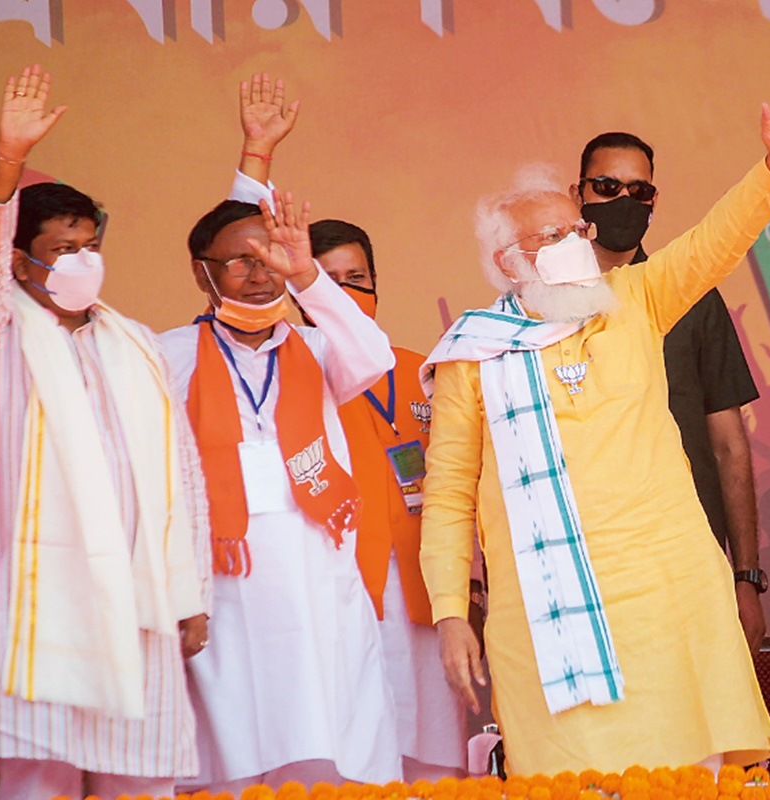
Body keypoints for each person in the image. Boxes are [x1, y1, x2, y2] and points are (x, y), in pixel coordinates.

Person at [420, 60, 770, 775]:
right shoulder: (472, 354)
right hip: (546, 624)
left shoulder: (637, 300)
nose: (572, 243)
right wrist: (451, 611)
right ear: (506, 262)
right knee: (566, 783)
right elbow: (451, 496)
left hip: (667, 599)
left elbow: (717, 240)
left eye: (572, 229)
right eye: (549, 237)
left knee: (691, 775)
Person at [0, 65, 211, 800]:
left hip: (137, 608)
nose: (80, 261)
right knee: (38, 785)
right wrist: (6, 161)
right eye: (61, 249)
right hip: (36, 608)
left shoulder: (133, 344)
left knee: (142, 787)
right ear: (17, 259)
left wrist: (192, 594)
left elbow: (182, 474)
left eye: (89, 244)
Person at [226, 72, 469, 781]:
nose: (348, 294)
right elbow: (233, 252)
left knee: (435, 758)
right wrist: (256, 159)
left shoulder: (430, 366)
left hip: (424, 587)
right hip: (343, 582)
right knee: (353, 756)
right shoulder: (301, 362)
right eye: (328, 281)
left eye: (358, 277)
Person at [161, 181, 400, 791]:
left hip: (318, 569)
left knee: (332, 733)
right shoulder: (169, 355)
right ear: (201, 273)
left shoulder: (318, 346)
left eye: (268, 258)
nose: (258, 274)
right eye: (239, 260)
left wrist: (309, 278)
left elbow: (374, 355)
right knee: (240, 741)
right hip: (225, 580)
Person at [570, 131, 767, 655]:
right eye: (607, 186)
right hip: (584, 564)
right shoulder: (544, 307)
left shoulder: (693, 299)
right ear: (578, 193)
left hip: (688, 557)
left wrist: (746, 575)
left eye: (640, 192)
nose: (623, 202)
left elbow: (729, 446)